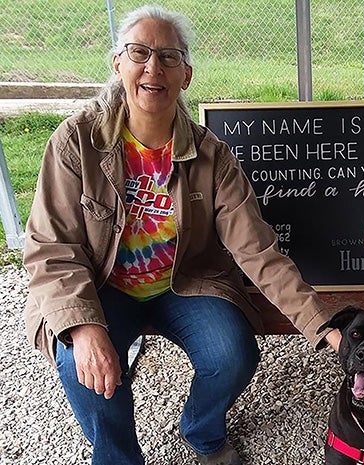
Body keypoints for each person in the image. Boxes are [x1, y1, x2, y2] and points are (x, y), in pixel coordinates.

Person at [22, 5, 341, 465]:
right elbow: (51, 247)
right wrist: (86, 326)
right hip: (102, 284)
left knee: (233, 355)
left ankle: (200, 427)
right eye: (139, 53)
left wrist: (323, 325)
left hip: (184, 283)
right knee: (78, 360)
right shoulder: (76, 142)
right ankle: (118, 457)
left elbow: (258, 251)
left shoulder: (214, 157)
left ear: (186, 75)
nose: (154, 67)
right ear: (119, 64)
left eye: (168, 57)